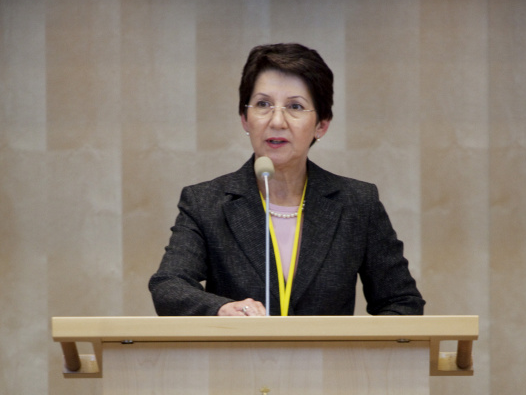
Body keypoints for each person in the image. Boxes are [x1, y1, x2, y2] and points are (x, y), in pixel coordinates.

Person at [149, 43, 425, 317]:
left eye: (295, 106)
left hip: (331, 362)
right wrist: (220, 309)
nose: (277, 120)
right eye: (263, 104)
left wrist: (359, 354)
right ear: (245, 119)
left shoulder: (357, 204)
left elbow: (401, 302)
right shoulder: (206, 203)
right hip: (238, 360)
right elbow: (169, 286)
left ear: (321, 125)